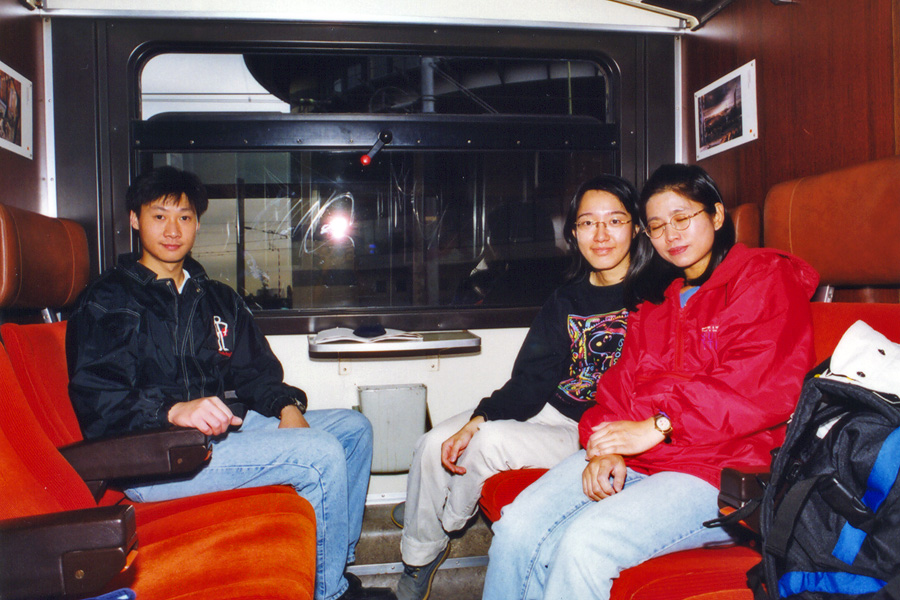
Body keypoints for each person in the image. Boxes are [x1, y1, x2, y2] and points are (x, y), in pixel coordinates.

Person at [481, 163, 819, 600]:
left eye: (682, 218)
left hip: (718, 469)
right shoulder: (658, 300)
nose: (670, 235)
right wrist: (605, 445)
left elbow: (755, 384)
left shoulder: (762, 277)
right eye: (657, 226)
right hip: (644, 457)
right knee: (517, 527)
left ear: (717, 215)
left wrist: (659, 426)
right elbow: (618, 387)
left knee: (585, 546)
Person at [66, 166, 395, 600]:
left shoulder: (216, 298)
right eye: (159, 216)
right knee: (320, 453)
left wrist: (286, 408)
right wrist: (171, 411)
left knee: (353, 430)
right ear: (134, 219)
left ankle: (335, 568)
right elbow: (99, 398)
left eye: (184, 217)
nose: (172, 230)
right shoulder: (109, 300)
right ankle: (328, 594)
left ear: (198, 223)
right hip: (154, 455)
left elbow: (255, 370)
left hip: (218, 436)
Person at [395, 175, 653, 600]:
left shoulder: (656, 297)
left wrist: (482, 430)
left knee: (487, 442)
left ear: (637, 227)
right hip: (546, 408)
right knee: (432, 442)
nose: (601, 235)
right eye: (588, 223)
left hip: (586, 430)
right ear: (573, 233)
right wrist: (478, 417)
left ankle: (441, 520)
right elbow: (530, 379)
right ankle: (419, 554)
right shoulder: (566, 299)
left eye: (615, 221)